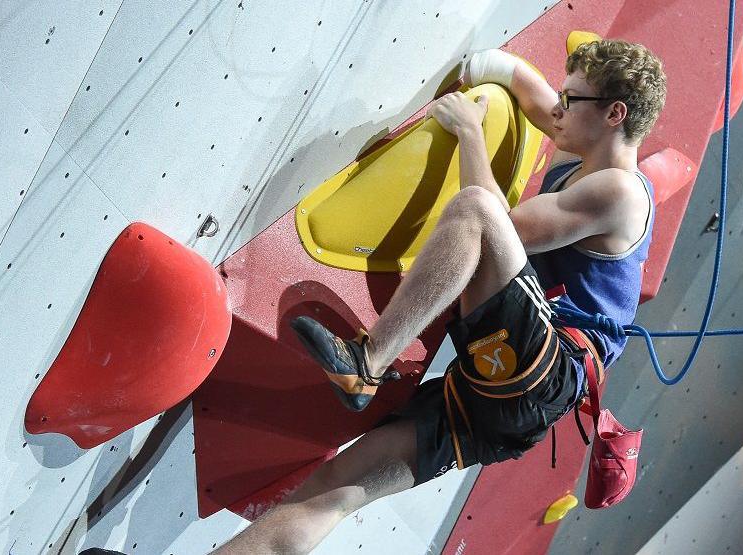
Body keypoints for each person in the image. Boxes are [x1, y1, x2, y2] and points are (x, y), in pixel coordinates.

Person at [215, 39, 667, 554]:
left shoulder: (621, 193)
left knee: (475, 207)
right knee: (330, 490)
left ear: (614, 113)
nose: (558, 109)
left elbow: (501, 228)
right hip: (507, 398)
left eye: (574, 99)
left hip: (545, 370)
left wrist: (471, 134)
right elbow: (535, 95)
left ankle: (367, 361)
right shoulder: (583, 145)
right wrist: (485, 67)